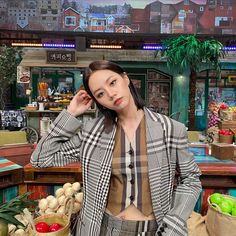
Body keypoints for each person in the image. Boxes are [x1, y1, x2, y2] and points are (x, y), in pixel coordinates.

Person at [31, 60, 202, 236]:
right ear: (99, 102)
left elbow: (191, 180)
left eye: (113, 82)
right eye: (100, 94)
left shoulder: (171, 129)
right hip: (104, 230)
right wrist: (70, 113)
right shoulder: (91, 133)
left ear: (125, 79)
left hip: (156, 230)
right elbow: (40, 159)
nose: (111, 94)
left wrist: (174, 224)